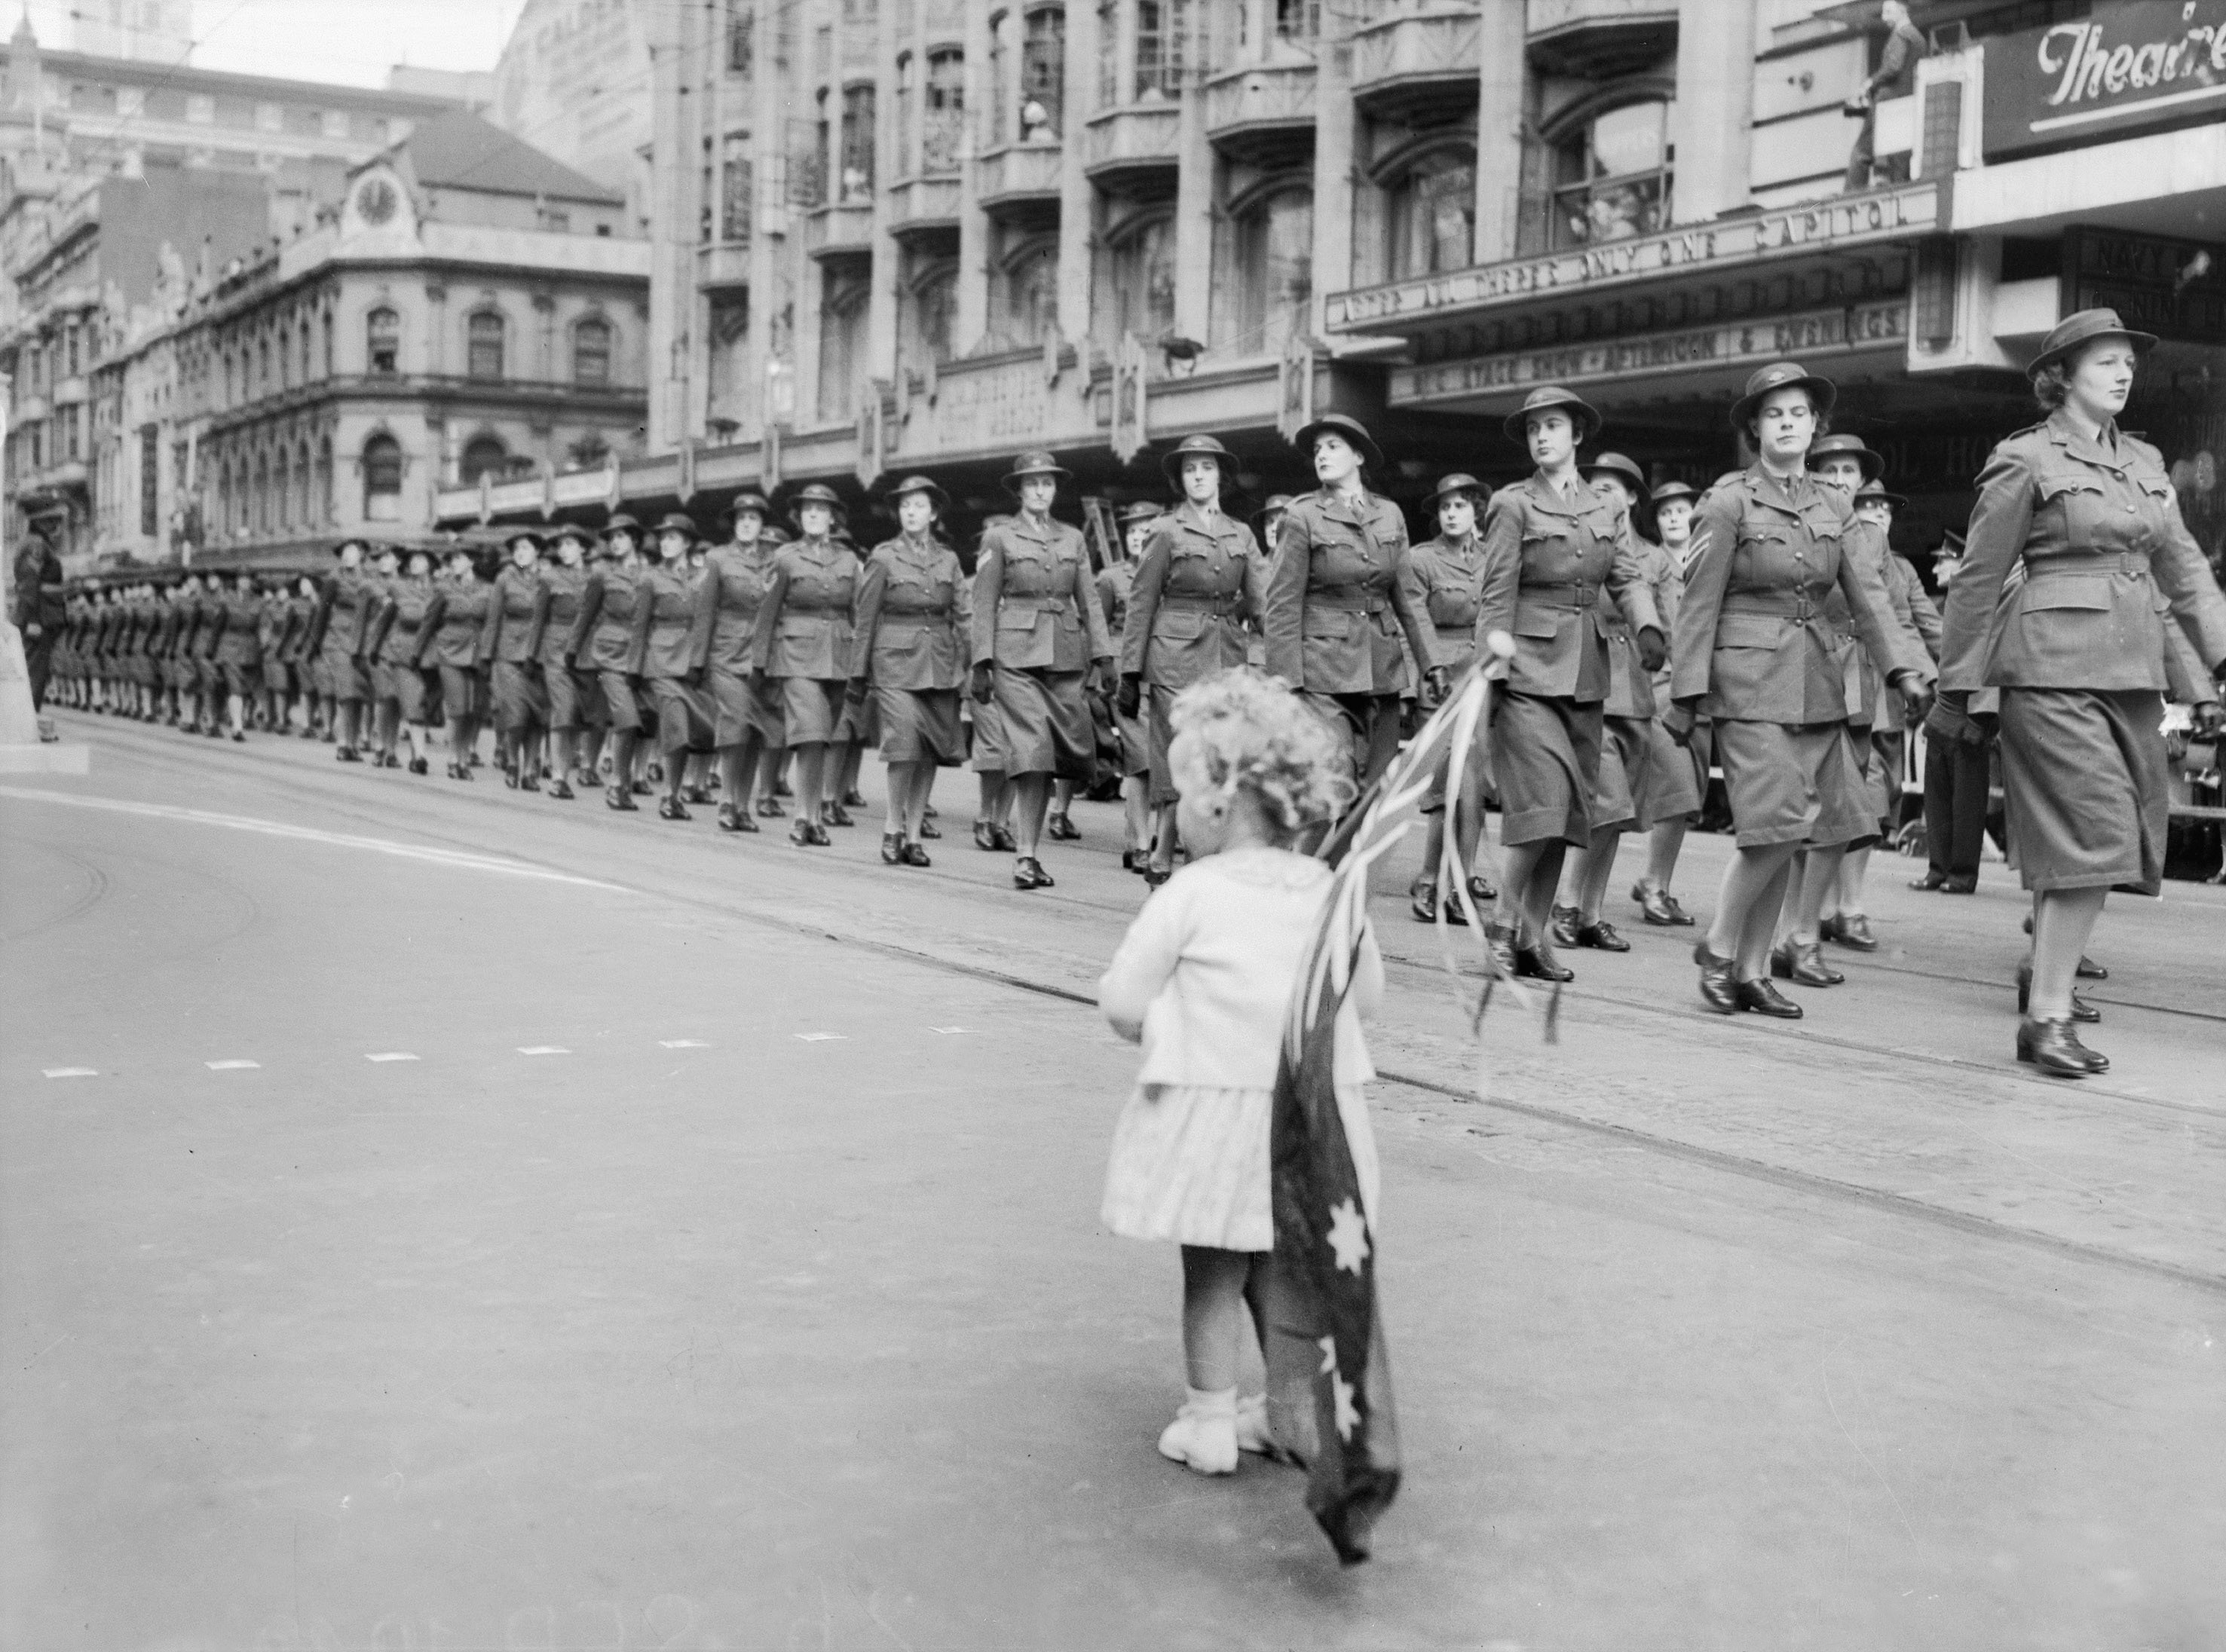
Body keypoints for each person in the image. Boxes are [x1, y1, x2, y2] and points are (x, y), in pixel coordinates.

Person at [1096, 668, 1377, 1476]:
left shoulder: (1191, 890)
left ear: (1216, 801)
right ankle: (1290, 1413)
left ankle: (1209, 1419)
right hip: (1309, 1120)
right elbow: (1368, 997)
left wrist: (1165, 1027)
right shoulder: (1328, 888)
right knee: (1286, 1269)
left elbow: (1122, 999)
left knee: (1211, 1270)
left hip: (1213, 1120)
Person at [1939, 308, 2226, 1075]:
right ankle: (2047, 1018)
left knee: (2116, 837)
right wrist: (1955, 687)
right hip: (2050, 667)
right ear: (2059, 376)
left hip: (2131, 673)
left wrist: (2221, 654)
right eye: (2103, 361)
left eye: (2126, 361)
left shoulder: (2144, 459)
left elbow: (2185, 569)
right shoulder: (2024, 458)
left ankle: (2048, 979)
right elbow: (1976, 579)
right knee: (2093, 840)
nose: (2122, 372)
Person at [1670, 361, 1933, 1019]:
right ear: (1754, 428)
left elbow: (1868, 598)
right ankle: (1721, 946)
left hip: (1816, 677)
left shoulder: (1832, 504)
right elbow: (1697, 605)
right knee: (1774, 822)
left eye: (1799, 415)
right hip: (1747, 679)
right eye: (1774, 415)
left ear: (1816, 427)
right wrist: (1685, 694)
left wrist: (1902, 668)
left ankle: (1754, 971)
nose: (1787, 424)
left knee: (1795, 831)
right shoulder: (1727, 501)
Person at [1473, 388, 1665, 980]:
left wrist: (1648, 624)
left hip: (1586, 673)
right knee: (1541, 807)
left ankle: (1531, 940)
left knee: (1569, 817)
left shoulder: (1605, 508)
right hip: (1526, 672)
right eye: (1533, 429)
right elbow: (1496, 592)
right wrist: (1491, 674)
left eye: (1552, 426)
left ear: (1577, 434)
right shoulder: (1513, 504)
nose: (1541, 437)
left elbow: (1627, 576)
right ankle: (1503, 929)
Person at [1263, 415, 1444, 801]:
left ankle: (1349, 863)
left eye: (1333, 447)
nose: (1322, 456)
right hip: (1322, 670)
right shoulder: (1302, 516)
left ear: (1359, 456)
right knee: (1335, 773)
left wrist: (1432, 663)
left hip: (1382, 666)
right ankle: (1312, 862)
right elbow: (1282, 603)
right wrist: (1284, 682)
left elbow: (1408, 596)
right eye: (1317, 450)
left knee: (1378, 786)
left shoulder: (1390, 514)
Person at [1121, 435, 1265, 888]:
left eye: (1206, 467)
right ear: (1180, 479)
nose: (1198, 476)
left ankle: (1169, 851)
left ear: (1221, 474)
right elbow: (1141, 602)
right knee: (1178, 754)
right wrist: (1130, 670)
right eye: (1190, 469)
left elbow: (1262, 603)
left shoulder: (1241, 533)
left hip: (1225, 655)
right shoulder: (1165, 530)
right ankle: (1169, 852)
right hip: (1173, 655)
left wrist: (1279, 660)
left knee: (1216, 753)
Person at [970, 450, 1116, 890]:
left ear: (1055, 489)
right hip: (1015, 659)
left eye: (1047, 483)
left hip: (1065, 659)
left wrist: (1104, 656)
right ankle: (1026, 856)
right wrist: (981, 663)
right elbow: (983, 603)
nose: (1039, 490)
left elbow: (1089, 601)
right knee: (1032, 752)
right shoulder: (999, 537)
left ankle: (1029, 848)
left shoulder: (1072, 538)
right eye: (1031, 483)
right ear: (1019, 489)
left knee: (1056, 757)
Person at [1819, 476, 1940, 947]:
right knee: (1848, 795)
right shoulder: (1828, 550)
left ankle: (1837, 903)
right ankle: (1843, 906)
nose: (1876, 514)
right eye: (1866, 506)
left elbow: (1917, 623)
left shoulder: (1903, 570)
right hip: (1835, 683)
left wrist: (1940, 676)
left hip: (1885, 689)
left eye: (1884, 508)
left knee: (1879, 798)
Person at [1553, 451, 1663, 953]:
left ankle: (1592, 912)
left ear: (1633, 497)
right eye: (1594, 487)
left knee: (1618, 817)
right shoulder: (1579, 545)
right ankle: (1566, 903)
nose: (1603, 496)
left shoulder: (1653, 556)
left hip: (1637, 691)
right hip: (1592, 685)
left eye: (1613, 488)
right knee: (1604, 804)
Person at [850, 476, 972, 865]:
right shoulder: (884, 556)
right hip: (894, 664)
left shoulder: (948, 560)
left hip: (939, 664)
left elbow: (963, 615)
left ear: (933, 513)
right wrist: (858, 673)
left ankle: (915, 834)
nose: (912, 512)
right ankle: (892, 827)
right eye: (905, 506)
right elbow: (865, 618)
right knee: (903, 746)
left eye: (919, 506)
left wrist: (977, 662)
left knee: (928, 752)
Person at [1403, 473, 1497, 925]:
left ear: (1477, 509)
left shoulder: (1495, 556)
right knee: (1443, 785)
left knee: (1473, 786)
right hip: (1440, 675)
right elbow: (1415, 621)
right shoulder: (1421, 560)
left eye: (1461, 505)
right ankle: (1427, 880)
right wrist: (1427, 671)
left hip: (1485, 675)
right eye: (1445, 507)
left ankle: (1460, 882)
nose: (1452, 513)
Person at [753, 483, 862, 849]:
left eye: (820, 509)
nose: (813, 515)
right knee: (810, 733)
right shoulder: (785, 557)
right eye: (807, 509)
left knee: (823, 737)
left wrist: (861, 664)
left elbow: (857, 614)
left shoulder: (849, 560)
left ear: (833, 517)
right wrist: (759, 663)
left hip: (838, 657)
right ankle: (803, 816)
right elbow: (767, 614)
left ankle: (815, 816)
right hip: (795, 655)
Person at [1630, 479, 1704, 924]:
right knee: (1677, 792)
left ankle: (1656, 881)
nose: (1675, 519)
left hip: (1703, 693)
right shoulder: (1651, 563)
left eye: (1683, 510)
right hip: (1661, 687)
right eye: (1666, 513)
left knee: (1688, 799)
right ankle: (1655, 887)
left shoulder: (1713, 559)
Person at [689, 493, 785, 833]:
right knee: (737, 724)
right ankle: (727, 801)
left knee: (757, 732)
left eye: (754, 519)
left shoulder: (774, 561)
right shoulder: (717, 559)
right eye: (741, 518)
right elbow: (705, 613)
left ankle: (743, 806)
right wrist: (697, 662)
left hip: (762, 657)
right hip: (726, 654)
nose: (747, 524)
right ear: (734, 524)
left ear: (762, 525)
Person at [634, 513, 720, 821]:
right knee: (675, 727)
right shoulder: (650, 578)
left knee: (693, 731)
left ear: (687, 542)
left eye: (673, 537)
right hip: (661, 662)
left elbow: (709, 618)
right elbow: (640, 625)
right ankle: (669, 796)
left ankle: (678, 790)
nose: (666, 543)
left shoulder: (705, 576)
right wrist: (635, 668)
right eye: (663, 537)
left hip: (694, 662)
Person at [567, 514, 654, 811]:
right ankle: (617, 784)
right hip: (609, 653)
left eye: (621, 537)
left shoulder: (650, 574)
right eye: (612, 538)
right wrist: (572, 649)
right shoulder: (602, 574)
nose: (615, 543)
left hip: (642, 655)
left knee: (639, 722)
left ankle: (625, 781)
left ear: (635, 540)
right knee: (627, 719)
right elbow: (586, 615)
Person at [1099, 502, 1161, 871]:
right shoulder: (1111, 578)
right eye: (1133, 531)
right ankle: (1141, 843)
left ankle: (1133, 835)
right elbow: (1099, 627)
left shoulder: (1170, 573)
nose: (1139, 537)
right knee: (1141, 761)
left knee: (1161, 760)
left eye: (1145, 530)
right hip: (1127, 680)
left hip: (1164, 671)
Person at [527, 524, 604, 800]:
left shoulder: (596, 578)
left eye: (570, 544)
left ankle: (566, 769)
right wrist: (531, 655)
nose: (564, 550)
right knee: (564, 710)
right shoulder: (549, 578)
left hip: (587, 652)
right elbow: (538, 619)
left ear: (583, 548)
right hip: (556, 650)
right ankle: (558, 777)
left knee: (580, 716)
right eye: (561, 545)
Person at [484, 529, 552, 791]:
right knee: (516, 714)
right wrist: (486, 656)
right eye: (516, 550)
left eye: (526, 548)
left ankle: (531, 768)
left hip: (538, 655)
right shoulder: (504, 579)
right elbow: (493, 619)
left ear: (537, 552)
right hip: (508, 655)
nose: (520, 553)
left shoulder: (547, 580)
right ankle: (513, 761)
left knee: (537, 715)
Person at [366, 549, 442, 773]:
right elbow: (384, 620)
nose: (415, 563)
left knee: (410, 702)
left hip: (430, 654)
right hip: (400, 652)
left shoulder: (440, 590)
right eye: (412, 560)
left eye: (421, 559)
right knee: (402, 700)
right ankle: (414, 755)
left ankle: (388, 749)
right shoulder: (397, 588)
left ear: (431, 564)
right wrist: (374, 648)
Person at [303, 537, 380, 760]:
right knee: (347, 693)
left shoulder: (370, 578)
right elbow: (322, 614)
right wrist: (314, 645)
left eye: (353, 550)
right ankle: (343, 743)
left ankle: (353, 744)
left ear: (363, 555)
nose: (348, 554)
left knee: (359, 695)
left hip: (363, 641)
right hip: (338, 640)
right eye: (345, 551)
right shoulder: (334, 579)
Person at [1843, 0, 1926, 192]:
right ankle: (1899, 187)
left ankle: (1853, 191)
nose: (1884, 17)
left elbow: (1893, 67)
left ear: (1902, 11)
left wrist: (1869, 83)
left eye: (1889, 12)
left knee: (1862, 151)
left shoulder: (1900, 35)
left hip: (1888, 101)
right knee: (1899, 152)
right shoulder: (1919, 39)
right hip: (1908, 101)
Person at [11, 525, 65, 722]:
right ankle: (28, 720)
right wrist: (33, 620)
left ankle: (25, 718)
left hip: (40, 618)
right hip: (39, 619)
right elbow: (30, 585)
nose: (57, 529)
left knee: (33, 669)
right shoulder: (36, 544)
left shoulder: (33, 543)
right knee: (35, 671)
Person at [209, 568, 264, 742]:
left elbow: (264, 625)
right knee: (235, 688)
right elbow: (217, 627)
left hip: (250, 651)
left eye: (248, 579)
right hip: (229, 649)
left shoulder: (259, 602)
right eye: (241, 579)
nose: (245, 582)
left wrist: (264, 642)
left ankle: (229, 719)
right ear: (237, 581)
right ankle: (237, 727)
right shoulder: (226, 599)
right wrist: (211, 649)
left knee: (244, 689)